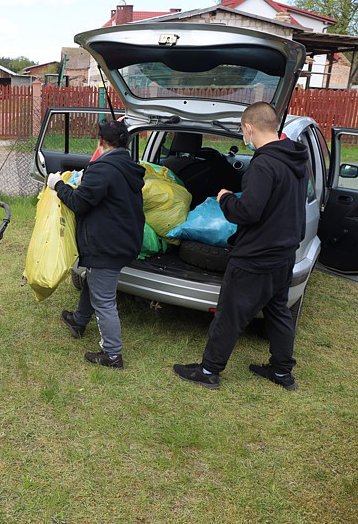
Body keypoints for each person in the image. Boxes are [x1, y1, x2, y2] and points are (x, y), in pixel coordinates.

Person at [173, 102, 309, 391]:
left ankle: (209, 370)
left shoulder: (263, 164)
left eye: (242, 130)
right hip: (284, 252)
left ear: (248, 128)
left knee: (229, 314)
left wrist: (225, 198)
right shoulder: (295, 159)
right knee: (278, 312)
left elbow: (248, 212)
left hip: (256, 256)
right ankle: (282, 372)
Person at [46, 120, 145, 369]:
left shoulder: (104, 169)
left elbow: (79, 202)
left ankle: (112, 354)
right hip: (125, 239)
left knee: (104, 299)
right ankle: (78, 321)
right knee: (95, 281)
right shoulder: (127, 165)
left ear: (101, 141)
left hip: (107, 244)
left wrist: (57, 185)